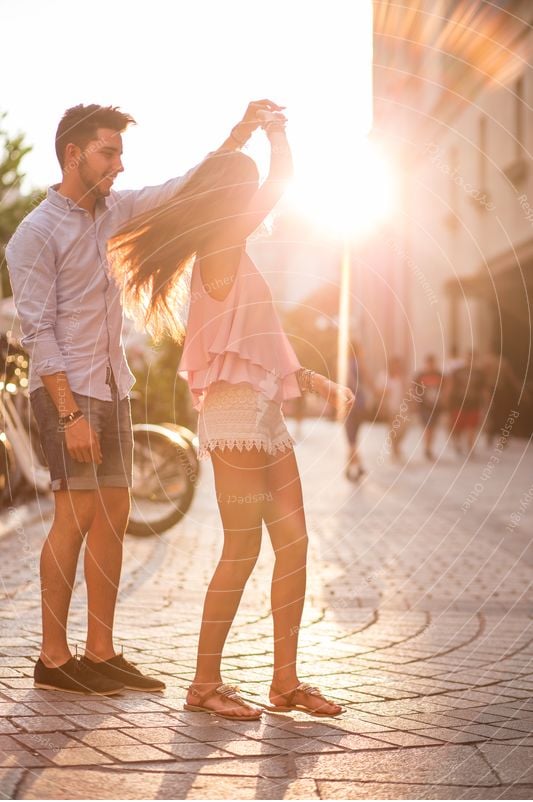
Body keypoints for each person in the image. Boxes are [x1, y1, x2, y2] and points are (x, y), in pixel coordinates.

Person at [6, 100, 273, 695]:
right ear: (73, 153)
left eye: (121, 152)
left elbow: (182, 185)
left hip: (112, 386)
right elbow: (38, 332)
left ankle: (99, 651)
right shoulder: (35, 235)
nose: (120, 165)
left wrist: (240, 133)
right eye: (109, 151)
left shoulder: (114, 211)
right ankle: (52, 660)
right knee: (72, 518)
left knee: (113, 517)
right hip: (67, 392)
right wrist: (71, 412)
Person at [109, 110, 355, 720]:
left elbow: (254, 343)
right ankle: (203, 683)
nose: (255, 197)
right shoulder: (220, 245)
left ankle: (286, 682)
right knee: (242, 550)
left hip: (264, 412)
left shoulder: (231, 250)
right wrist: (275, 133)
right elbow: (279, 183)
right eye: (243, 188)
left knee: (293, 544)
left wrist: (313, 379)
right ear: (230, 196)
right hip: (234, 417)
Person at [447, 349, 486, 455]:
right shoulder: (457, 372)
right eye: (469, 358)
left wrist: (486, 401)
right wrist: (447, 401)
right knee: (459, 427)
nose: (470, 360)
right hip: (459, 403)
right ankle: (458, 443)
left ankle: (470, 448)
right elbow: (450, 387)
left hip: (474, 403)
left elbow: (483, 389)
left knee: (471, 427)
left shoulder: (479, 373)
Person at [344, 340, 371, 481]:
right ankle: (355, 467)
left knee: (351, 439)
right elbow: (367, 381)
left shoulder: (345, 363)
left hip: (348, 404)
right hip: (360, 403)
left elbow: (348, 381)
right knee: (353, 439)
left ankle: (352, 468)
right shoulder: (358, 363)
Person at [376, 355, 408, 461]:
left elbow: (405, 391)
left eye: (398, 366)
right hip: (388, 407)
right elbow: (378, 391)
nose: (397, 368)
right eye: (395, 366)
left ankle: (396, 446)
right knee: (393, 429)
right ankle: (394, 449)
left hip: (401, 406)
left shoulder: (400, 377)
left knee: (404, 428)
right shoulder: (383, 375)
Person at [413, 354, 443, 461]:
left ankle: (429, 447)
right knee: (427, 427)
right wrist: (415, 403)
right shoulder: (420, 375)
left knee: (432, 428)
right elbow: (414, 390)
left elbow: (445, 388)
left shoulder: (439, 375)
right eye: (429, 363)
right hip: (424, 406)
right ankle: (427, 448)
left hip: (436, 406)